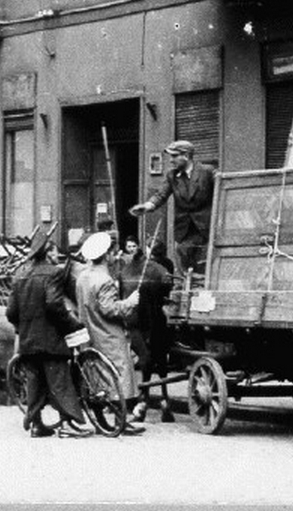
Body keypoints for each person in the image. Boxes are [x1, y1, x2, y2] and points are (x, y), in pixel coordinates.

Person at [6, 234, 94, 438]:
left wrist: (22, 328)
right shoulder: (54, 273)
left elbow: (11, 312)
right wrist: (71, 325)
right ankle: (67, 425)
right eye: (54, 251)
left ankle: (36, 425)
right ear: (47, 253)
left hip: (28, 340)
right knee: (60, 381)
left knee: (34, 382)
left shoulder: (20, 276)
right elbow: (54, 304)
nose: (57, 255)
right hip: (51, 338)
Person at [75, 232, 145, 434]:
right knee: (120, 375)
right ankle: (120, 420)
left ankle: (102, 421)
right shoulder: (104, 280)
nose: (115, 256)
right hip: (108, 335)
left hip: (90, 334)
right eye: (113, 253)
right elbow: (110, 309)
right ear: (106, 255)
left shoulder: (83, 277)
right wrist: (129, 302)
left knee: (96, 378)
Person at [130, 140, 215, 275]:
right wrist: (147, 206)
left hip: (206, 229)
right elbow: (161, 195)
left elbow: (221, 192)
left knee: (206, 266)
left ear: (186, 156)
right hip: (184, 230)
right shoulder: (172, 175)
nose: (171, 160)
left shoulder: (207, 172)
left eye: (174, 156)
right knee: (183, 261)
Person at [117, 235, 174, 422]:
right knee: (160, 361)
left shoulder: (124, 271)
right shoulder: (160, 269)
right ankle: (163, 401)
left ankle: (143, 400)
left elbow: (121, 297)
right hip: (156, 318)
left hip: (135, 321)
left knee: (145, 360)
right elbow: (168, 289)